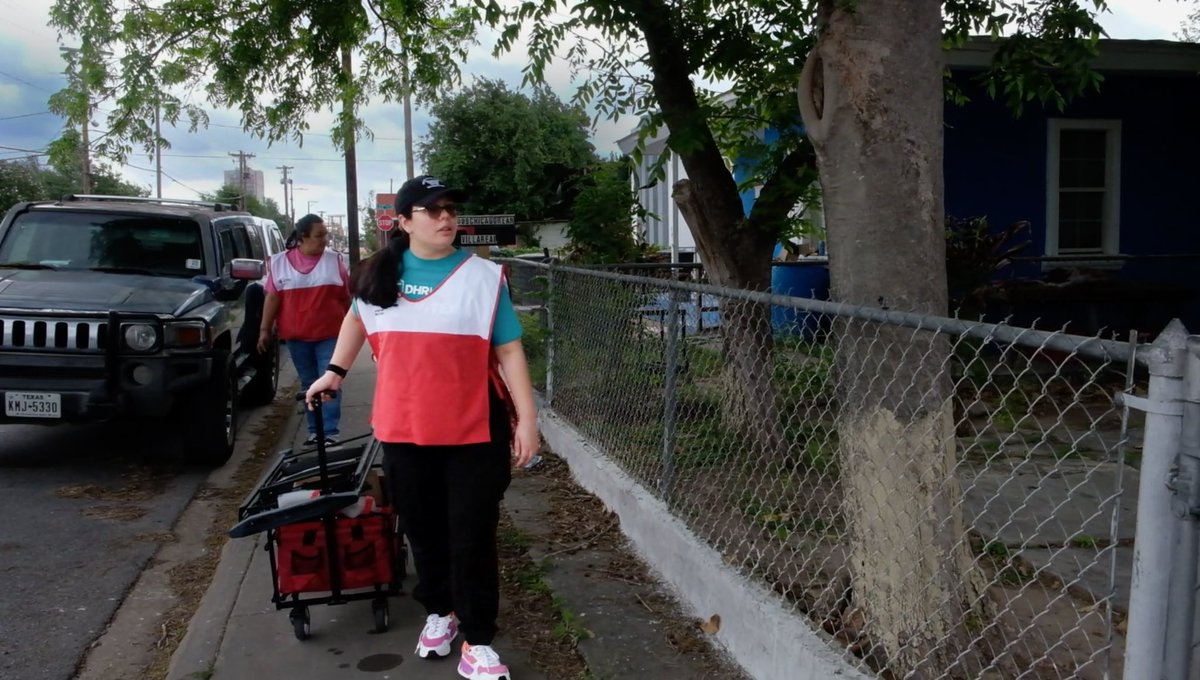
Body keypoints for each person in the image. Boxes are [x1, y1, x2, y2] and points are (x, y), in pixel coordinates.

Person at [306, 176, 538, 680]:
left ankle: (478, 638)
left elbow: (509, 350)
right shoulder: (377, 276)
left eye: (450, 209)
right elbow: (355, 320)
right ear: (404, 221)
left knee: (471, 534)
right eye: (432, 210)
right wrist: (335, 371)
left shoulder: (483, 277)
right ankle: (440, 611)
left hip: (474, 430)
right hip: (403, 427)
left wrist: (528, 421)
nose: (445, 218)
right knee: (422, 528)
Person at [260, 213, 351, 445]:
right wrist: (264, 330)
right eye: (319, 236)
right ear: (302, 238)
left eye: (325, 235)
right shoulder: (279, 263)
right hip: (297, 336)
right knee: (309, 383)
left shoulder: (334, 260)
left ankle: (330, 432)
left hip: (330, 335)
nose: (325, 240)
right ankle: (315, 431)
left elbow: (347, 297)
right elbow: (272, 298)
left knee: (328, 381)